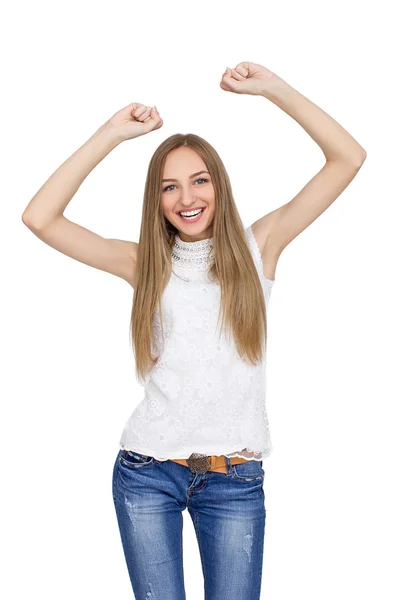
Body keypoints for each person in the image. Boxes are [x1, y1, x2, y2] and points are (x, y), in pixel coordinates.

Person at [22, 62, 366, 600]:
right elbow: (40, 218)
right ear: (155, 200)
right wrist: (112, 133)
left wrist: (273, 89)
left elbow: (348, 158)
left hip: (234, 481)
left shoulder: (260, 248)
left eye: (199, 180)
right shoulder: (143, 264)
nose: (187, 197)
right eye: (170, 187)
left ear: (218, 185)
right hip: (146, 474)